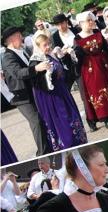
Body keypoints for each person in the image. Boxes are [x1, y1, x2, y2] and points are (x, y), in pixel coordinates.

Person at [29, 34, 88, 151]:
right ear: (37, 47)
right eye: (45, 45)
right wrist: (46, 74)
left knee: (71, 117)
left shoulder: (50, 56)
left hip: (62, 93)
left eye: (49, 43)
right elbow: (37, 85)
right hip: (52, 98)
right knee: (62, 121)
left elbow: (64, 73)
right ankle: (67, 145)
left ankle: (78, 141)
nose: (48, 47)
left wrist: (64, 57)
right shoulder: (36, 62)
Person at [2, 26, 51, 156]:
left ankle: (48, 147)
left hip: (33, 92)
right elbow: (18, 73)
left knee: (43, 119)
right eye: (19, 36)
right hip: (21, 96)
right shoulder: (7, 57)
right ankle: (43, 153)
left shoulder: (23, 51)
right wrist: (36, 69)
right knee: (36, 121)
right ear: (12, 39)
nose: (22, 38)